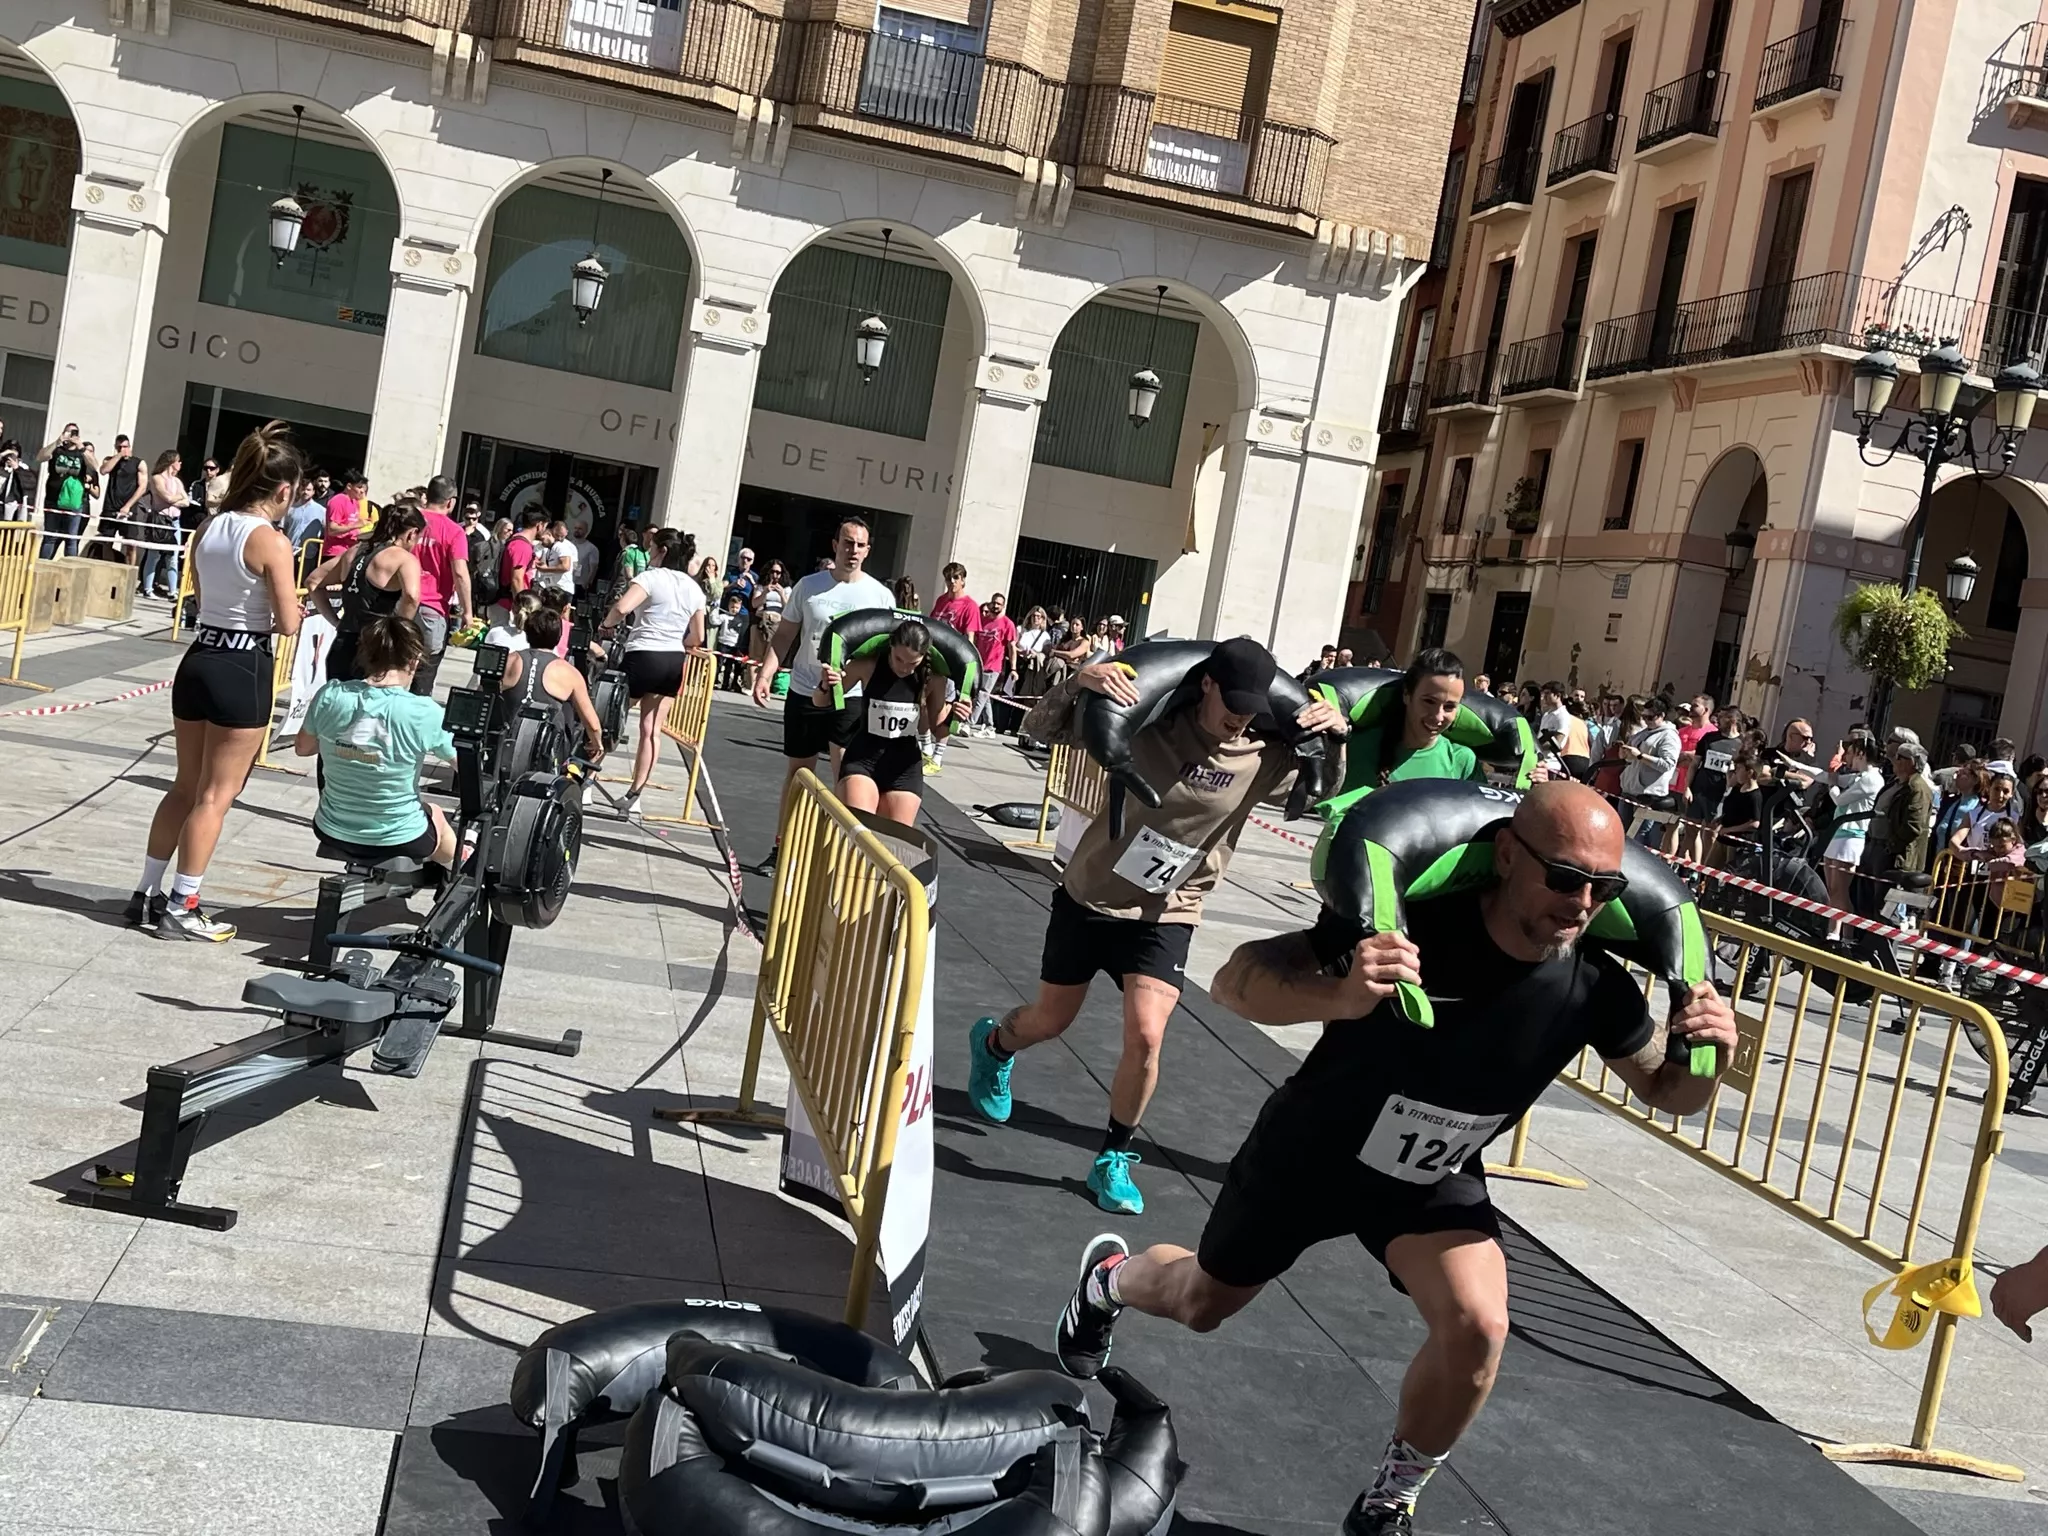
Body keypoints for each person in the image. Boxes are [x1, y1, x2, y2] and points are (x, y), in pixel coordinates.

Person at [1047, 782, 1737, 1536]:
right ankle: (1108, 1282)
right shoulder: (1413, 928)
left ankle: (1386, 1502)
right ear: (1507, 854)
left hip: (1428, 1177)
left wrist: (1705, 1053)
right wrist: (1340, 995)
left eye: (1603, 888)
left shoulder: (1595, 981)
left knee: (1479, 1326)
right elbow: (1235, 980)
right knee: (1199, 1304)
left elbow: (1668, 1093)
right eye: (1565, 877)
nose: (1581, 904)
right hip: (1313, 1152)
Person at [966, 638, 1350, 1215]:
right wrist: (1078, 682)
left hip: (1169, 910)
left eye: (1250, 707)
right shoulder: (1150, 722)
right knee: (1050, 1019)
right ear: (1207, 685)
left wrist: (1336, 737)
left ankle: (1111, 1159)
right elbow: (1043, 729)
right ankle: (994, 1045)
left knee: (1147, 1035)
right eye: (1230, 702)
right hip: (1092, 896)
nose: (1238, 717)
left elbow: (1327, 790)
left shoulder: (1264, 751)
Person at [128, 422, 305, 941]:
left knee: (184, 785)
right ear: (283, 490)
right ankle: (184, 903)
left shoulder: (209, 527)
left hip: (201, 655)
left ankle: (147, 891)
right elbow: (290, 621)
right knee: (217, 794)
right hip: (243, 663)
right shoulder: (270, 540)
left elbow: (203, 598)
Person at [749, 516, 895, 872]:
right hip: (803, 688)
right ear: (835, 545)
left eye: (860, 545)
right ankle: (782, 846)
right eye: (847, 543)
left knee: (845, 775)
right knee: (799, 774)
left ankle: (840, 857)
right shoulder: (808, 586)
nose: (853, 550)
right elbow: (784, 635)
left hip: (850, 695)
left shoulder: (879, 595)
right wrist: (766, 673)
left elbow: (888, 652)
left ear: (868, 550)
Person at [294, 614, 460, 869]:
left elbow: (303, 748)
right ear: (414, 661)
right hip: (399, 836)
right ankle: (461, 868)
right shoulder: (424, 711)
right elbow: (464, 766)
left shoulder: (331, 694)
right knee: (436, 814)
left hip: (331, 828)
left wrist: (347, 746)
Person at [599, 527, 708, 816]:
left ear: (662, 551)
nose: (648, 553)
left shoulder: (650, 577)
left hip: (643, 653)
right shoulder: (693, 588)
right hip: (673, 659)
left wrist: (607, 624)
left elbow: (622, 607)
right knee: (652, 730)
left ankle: (585, 778)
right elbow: (698, 636)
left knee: (608, 718)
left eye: (651, 548)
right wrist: (678, 642)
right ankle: (635, 795)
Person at [817, 616, 960, 826]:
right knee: (858, 833)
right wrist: (825, 685)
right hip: (863, 759)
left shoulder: (934, 678)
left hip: (904, 766)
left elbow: (939, 730)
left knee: (895, 844)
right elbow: (821, 702)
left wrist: (955, 715)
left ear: (925, 656)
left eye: (913, 663)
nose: (903, 668)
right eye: (898, 659)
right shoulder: (867, 666)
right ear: (890, 646)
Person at [1336, 649, 1489, 795]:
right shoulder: (1359, 747)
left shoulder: (1462, 761)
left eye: (1449, 707)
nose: (1438, 716)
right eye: (1429, 701)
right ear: (1407, 695)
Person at [308, 501, 424, 682]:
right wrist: (398, 633)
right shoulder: (403, 558)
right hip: (376, 647)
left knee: (339, 705)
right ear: (412, 533)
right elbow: (411, 597)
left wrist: (336, 621)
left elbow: (313, 582)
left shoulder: (353, 552)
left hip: (343, 644)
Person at [497, 603, 607, 765]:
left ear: (527, 634)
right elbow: (592, 724)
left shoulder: (508, 660)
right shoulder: (567, 671)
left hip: (506, 740)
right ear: (558, 637)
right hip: (546, 749)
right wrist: (597, 745)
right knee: (571, 710)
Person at [410, 476, 474, 698]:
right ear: (451, 502)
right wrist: (468, 612)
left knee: (396, 666)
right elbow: (460, 573)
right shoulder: (454, 531)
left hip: (400, 602)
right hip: (432, 607)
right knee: (425, 675)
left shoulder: (409, 520)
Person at [1821, 730, 1883, 918]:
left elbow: (1840, 800)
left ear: (1861, 754)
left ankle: (1839, 934)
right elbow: (1825, 775)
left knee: (1840, 891)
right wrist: (1794, 766)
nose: (1848, 758)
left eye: (1851, 753)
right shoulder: (1858, 777)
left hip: (1852, 836)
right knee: (1832, 890)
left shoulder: (1872, 778)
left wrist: (1832, 786)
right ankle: (1836, 932)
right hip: (1837, 833)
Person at [1617, 695, 1682, 845]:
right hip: (1629, 789)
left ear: (1661, 716)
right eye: (1644, 716)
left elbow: (1667, 764)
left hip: (1648, 793)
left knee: (1639, 833)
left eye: (1650, 717)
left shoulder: (1669, 736)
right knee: (1623, 830)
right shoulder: (1643, 733)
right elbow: (1631, 758)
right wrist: (1625, 753)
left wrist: (1640, 756)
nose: (1646, 720)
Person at [137, 450, 191, 598]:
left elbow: (186, 502)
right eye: (178, 461)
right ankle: (148, 588)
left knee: (173, 557)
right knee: (153, 554)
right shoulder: (157, 479)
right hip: (160, 520)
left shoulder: (178, 482)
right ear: (171, 462)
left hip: (175, 522)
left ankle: (173, 591)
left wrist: (177, 498)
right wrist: (178, 497)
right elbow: (166, 497)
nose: (180, 464)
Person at [36, 421, 89, 559]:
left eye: (75, 432)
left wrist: (82, 447)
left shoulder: (81, 453)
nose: (71, 435)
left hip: (74, 501)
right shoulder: (57, 450)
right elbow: (40, 457)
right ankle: (43, 567)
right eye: (69, 432)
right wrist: (57, 442)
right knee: (50, 537)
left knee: (71, 539)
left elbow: (96, 467)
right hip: (53, 499)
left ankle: (70, 571)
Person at [969, 592, 1017, 736]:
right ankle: (990, 726)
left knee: (982, 694)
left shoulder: (1008, 624)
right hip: (979, 663)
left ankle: (969, 723)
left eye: (999, 603)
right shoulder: (983, 621)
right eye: (994, 602)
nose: (996, 605)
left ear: (1003, 606)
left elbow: (1011, 647)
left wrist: (1013, 668)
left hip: (993, 666)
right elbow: (975, 640)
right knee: (985, 695)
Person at [101, 435, 149, 573]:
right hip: (111, 506)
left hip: (128, 508)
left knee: (130, 543)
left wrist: (128, 505)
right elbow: (104, 470)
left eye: (126, 447)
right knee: (106, 541)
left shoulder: (139, 463)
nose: (123, 450)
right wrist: (118, 456)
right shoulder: (111, 461)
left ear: (130, 447)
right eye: (120, 447)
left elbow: (142, 487)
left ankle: (129, 573)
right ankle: (107, 570)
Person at [320, 468, 368, 562]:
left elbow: (352, 526)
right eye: (359, 487)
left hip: (349, 552)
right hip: (335, 553)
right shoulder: (338, 501)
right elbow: (332, 530)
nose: (362, 491)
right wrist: (354, 526)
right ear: (349, 486)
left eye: (363, 487)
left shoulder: (355, 502)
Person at [752, 558, 790, 674]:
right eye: (772, 572)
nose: (775, 575)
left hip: (777, 622)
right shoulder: (761, 586)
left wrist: (782, 594)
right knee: (756, 655)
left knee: (770, 657)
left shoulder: (787, 589)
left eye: (778, 572)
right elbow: (754, 604)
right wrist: (764, 593)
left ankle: (765, 684)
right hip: (761, 621)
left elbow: (789, 609)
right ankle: (751, 685)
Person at [711, 589, 750, 690]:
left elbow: (741, 635)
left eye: (737, 607)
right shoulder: (724, 617)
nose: (734, 609)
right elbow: (714, 620)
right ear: (728, 606)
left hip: (733, 646)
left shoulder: (741, 620)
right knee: (718, 665)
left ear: (740, 607)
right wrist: (714, 609)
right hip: (722, 643)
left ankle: (725, 684)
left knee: (729, 667)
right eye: (732, 607)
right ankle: (714, 681)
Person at [283, 477, 326, 553]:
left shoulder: (321, 510)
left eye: (308, 490)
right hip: (290, 551)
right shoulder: (290, 508)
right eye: (303, 489)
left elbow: (326, 531)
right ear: (299, 491)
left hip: (309, 553)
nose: (305, 492)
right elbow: (282, 528)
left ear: (313, 492)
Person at [537, 518, 578, 596]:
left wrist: (546, 569)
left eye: (562, 536)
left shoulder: (566, 546)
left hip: (563, 587)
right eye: (558, 535)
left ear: (567, 532)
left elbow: (570, 566)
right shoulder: (549, 546)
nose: (559, 538)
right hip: (550, 586)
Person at [571, 519, 601, 595]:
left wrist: (587, 582)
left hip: (580, 584)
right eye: (575, 528)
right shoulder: (569, 545)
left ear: (586, 531)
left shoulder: (591, 548)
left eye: (580, 528)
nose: (577, 530)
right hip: (568, 581)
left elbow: (593, 568)